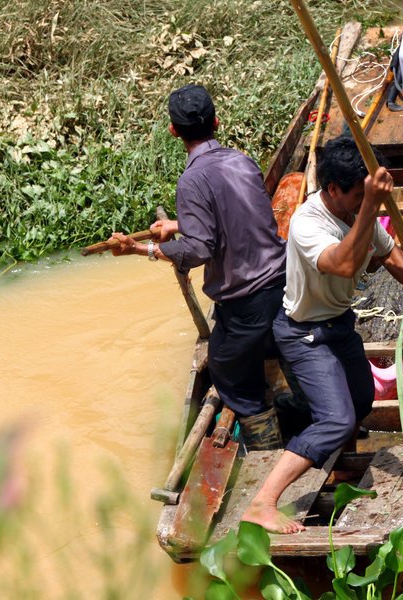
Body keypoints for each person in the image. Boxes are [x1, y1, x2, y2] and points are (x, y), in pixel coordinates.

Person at [241, 134, 403, 533]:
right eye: (357, 194)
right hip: (303, 334)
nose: (362, 201)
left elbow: (389, 254)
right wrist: (371, 205)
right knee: (337, 420)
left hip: (339, 325)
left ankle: (333, 463)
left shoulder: (357, 212)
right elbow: (340, 263)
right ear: (333, 190)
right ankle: (263, 503)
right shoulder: (308, 222)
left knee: (359, 402)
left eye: (365, 194)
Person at [110, 84, 286, 448]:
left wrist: (139, 249)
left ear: (174, 131)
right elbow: (236, 217)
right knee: (265, 349)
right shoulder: (241, 160)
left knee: (226, 369)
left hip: (247, 302)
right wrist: (176, 225)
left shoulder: (191, 181)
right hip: (283, 283)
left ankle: (267, 448)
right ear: (217, 122)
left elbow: (199, 250)